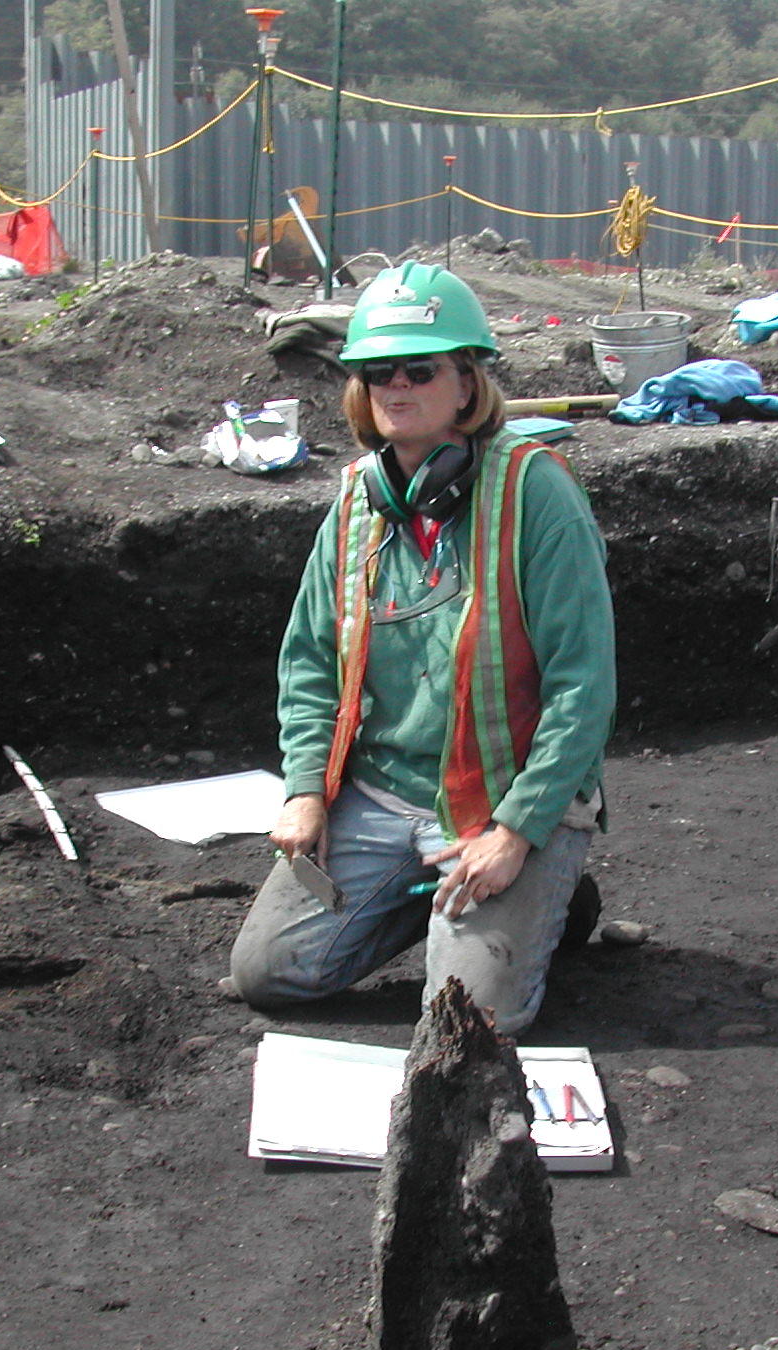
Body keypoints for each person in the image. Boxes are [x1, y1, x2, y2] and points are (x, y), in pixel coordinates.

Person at [229, 261, 615, 1036]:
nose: (396, 387)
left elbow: (583, 683)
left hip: (497, 799)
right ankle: (471, 907)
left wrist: (516, 832)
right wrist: (306, 789)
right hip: (379, 791)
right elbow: (308, 658)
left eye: (421, 369)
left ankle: (543, 885)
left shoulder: (536, 494)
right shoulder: (356, 502)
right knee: (268, 973)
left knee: (468, 1018)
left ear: (468, 383)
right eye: (378, 372)